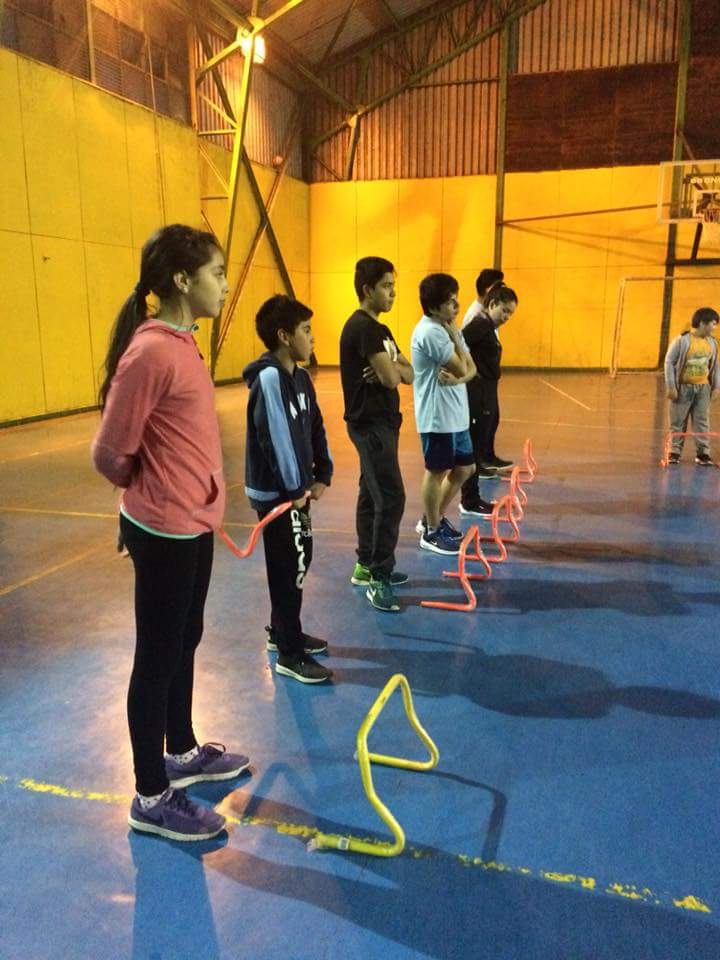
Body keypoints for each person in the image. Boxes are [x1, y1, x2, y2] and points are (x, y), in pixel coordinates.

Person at [92, 224, 248, 843]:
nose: (225, 285)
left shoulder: (184, 344)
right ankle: (151, 795)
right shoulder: (152, 352)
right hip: (165, 528)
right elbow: (110, 451)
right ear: (183, 281)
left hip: (194, 522)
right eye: (217, 273)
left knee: (186, 637)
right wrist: (142, 500)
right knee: (156, 657)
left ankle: (180, 751)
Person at [244, 295, 334, 681]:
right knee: (288, 568)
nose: (313, 338)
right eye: (306, 330)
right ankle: (289, 652)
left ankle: (282, 630)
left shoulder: (301, 377)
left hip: (297, 492)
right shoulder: (269, 379)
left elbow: (315, 426)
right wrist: (296, 488)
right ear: (284, 336)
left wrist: (323, 471)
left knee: (298, 559)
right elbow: (276, 438)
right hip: (278, 496)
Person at [339, 257, 414, 613]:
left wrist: (393, 367)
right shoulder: (363, 328)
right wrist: (392, 370)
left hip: (384, 423)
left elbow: (408, 374)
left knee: (371, 492)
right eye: (386, 286)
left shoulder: (381, 331)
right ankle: (379, 576)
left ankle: (366, 565)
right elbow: (389, 378)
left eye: (393, 286)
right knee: (391, 496)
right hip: (370, 425)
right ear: (368, 290)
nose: (393, 293)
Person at [411, 273, 477, 555]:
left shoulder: (448, 328)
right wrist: (457, 342)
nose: (457, 306)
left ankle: (432, 517)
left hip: (456, 414)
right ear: (434, 307)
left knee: (465, 468)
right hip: (438, 417)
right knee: (437, 471)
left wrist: (460, 376)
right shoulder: (431, 333)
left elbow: (471, 370)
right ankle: (431, 531)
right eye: (450, 302)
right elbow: (463, 367)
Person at [461, 285, 519, 512]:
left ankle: (473, 497)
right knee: (474, 447)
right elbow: (458, 343)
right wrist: (468, 371)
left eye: (510, 313)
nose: (507, 317)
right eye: (504, 311)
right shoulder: (479, 324)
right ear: (492, 304)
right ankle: (470, 500)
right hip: (478, 392)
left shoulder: (488, 327)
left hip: (487, 390)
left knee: (482, 439)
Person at [664, 306, 720, 465]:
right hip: (683, 388)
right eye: (713, 324)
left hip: (703, 389)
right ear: (702, 323)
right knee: (678, 421)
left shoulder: (712, 343)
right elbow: (669, 362)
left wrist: (716, 386)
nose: (714, 327)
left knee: (702, 421)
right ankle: (674, 452)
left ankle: (703, 454)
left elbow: (715, 365)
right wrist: (671, 386)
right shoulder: (682, 341)